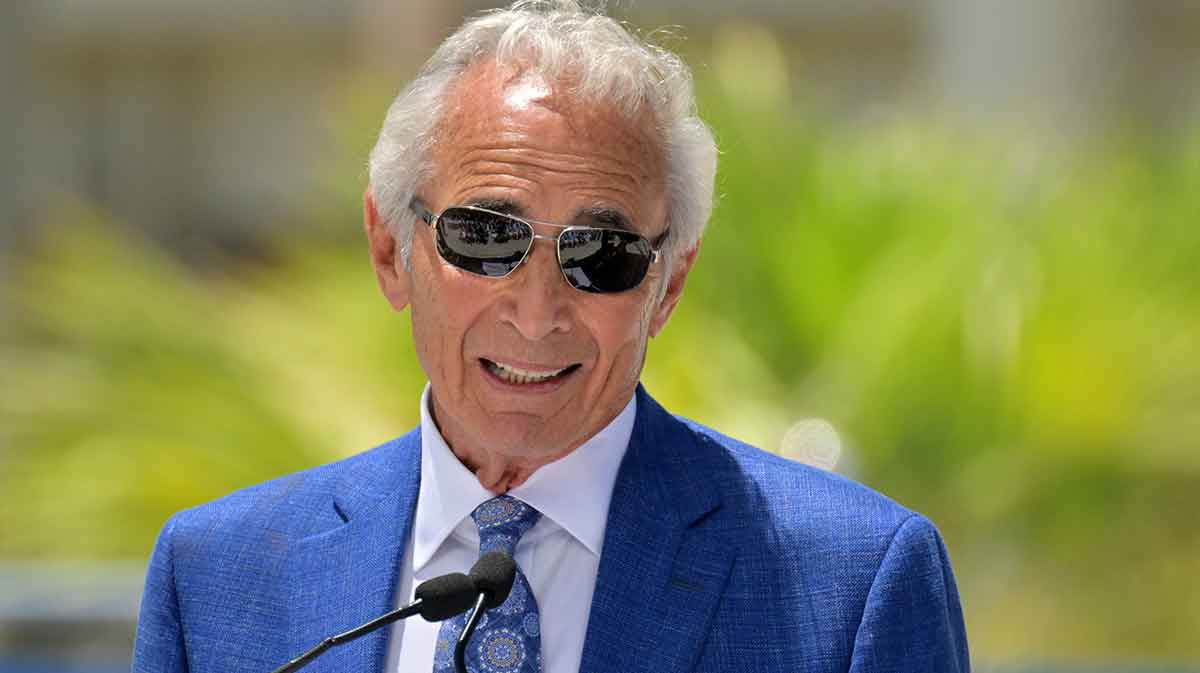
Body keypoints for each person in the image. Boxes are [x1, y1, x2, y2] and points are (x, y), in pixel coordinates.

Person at [132, 1, 970, 672]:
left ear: (667, 283)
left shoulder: (852, 583)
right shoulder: (217, 579)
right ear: (391, 249)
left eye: (601, 254)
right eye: (486, 238)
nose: (536, 313)